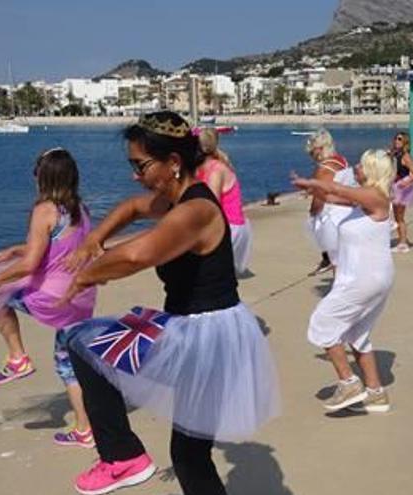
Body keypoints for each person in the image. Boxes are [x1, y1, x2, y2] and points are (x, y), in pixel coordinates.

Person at [60, 111, 279, 495]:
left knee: (83, 341)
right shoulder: (175, 199)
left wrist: (83, 275)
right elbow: (131, 207)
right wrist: (96, 238)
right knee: (190, 456)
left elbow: (136, 256)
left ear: (173, 162)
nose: (135, 175)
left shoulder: (195, 210)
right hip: (192, 328)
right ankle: (123, 454)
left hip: (208, 337)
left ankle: (124, 457)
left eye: (141, 165)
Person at [0, 148, 98, 448]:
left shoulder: (45, 209)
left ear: (43, 176)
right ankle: (84, 430)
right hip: (81, 295)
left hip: (52, 295)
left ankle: (18, 358)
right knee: (67, 363)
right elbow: (54, 249)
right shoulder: (81, 208)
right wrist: (16, 251)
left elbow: (31, 265)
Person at [292, 149, 395, 413]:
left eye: (361, 164)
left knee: (322, 324)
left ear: (372, 170)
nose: (356, 167)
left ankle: (348, 382)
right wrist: (314, 189)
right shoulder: (363, 201)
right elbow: (332, 194)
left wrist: (314, 182)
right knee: (356, 333)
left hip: (364, 278)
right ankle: (375, 393)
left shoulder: (376, 196)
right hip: (364, 276)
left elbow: (336, 188)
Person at [196, 127, 252, 275]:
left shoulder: (216, 171)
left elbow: (211, 205)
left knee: (208, 272)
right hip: (224, 223)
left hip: (230, 225)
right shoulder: (203, 168)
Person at [304, 128, 355, 276]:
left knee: (337, 260)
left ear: (320, 149)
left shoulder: (325, 168)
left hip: (332, 216)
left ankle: (339, 291)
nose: (311, 156)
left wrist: (312, 214)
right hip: (346, 211)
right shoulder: (342, 161)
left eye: (312, 152)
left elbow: (320, 198)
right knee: (344, 259)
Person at [390, 131, 413, 253]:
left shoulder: (405, 156)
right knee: (397, 217)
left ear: (405, 142)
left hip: (401, 188)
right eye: (396, 139)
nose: (397, 141)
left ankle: (403, 243)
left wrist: (405, 183)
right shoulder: (396, 153)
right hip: (395, 185)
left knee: (400, 217)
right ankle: (402, 240)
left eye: (400, 139)